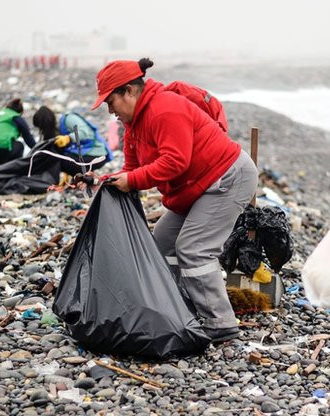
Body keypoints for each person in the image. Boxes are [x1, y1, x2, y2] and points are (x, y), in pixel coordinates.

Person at [88, 58, 257, 344]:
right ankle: (178, 309)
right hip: (196, 186)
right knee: (161, 244)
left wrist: (132, 181)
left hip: (227, 179)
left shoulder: (164, 109)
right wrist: (103, 180)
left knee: (194, 248)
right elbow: (131, 169)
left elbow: (175, 161)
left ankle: (220, 323)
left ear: (129, 91)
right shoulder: (135, 124)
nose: (110, 110)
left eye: (111, 101)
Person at [31, 106, 112, 176]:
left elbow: (84, 132)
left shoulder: (68, 118)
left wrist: (69, 138)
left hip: (97, 153)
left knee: (62, 162)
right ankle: (79, 178)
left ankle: (86, 178)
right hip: (84, 154)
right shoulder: (57, 129)